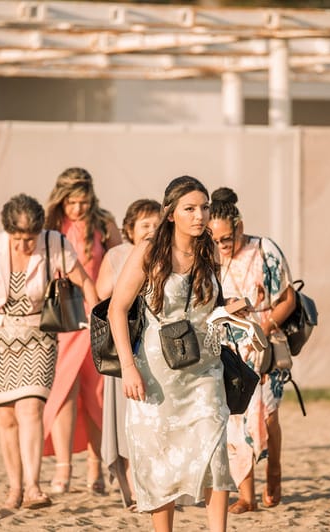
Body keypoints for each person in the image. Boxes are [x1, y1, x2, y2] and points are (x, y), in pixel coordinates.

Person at [0, 193, 99, 510]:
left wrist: (99, 322)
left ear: (39, 231)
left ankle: (33, 487)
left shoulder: (55, 244)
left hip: (38, 335)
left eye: (30, 238)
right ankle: (14, 488)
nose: (24, 246)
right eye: (18, 238)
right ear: (8, 232)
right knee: (6, 417)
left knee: (32, 409)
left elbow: (86, 283)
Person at [108, 176, 234, 532]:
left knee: (215, 450)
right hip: (155, 372)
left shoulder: (209, 250)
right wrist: (128, 369)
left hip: (205, 369)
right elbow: (118, 308)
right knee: (157, 457)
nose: (200, 216)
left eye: (205, 208)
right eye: (190, 209)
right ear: (171, 213)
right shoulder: (150, 251)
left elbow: (209, 309)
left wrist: (230, 309)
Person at [207, 187, 296, 513]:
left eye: (226, 238)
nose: (222, 245)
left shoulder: (264, 250)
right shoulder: (208, 256)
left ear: (239, 226)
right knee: (234, 418)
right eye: (215, 240)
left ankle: (274, 469)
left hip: (264, 344)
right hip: (227, 348)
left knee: (268, 414)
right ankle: (247, 495)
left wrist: (265, 325)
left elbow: (288, 299)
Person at [43, 167, 123, 494]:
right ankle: (63, 468)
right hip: (62, 318)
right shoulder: (48, 225)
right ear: (61, 198)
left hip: (96, 317)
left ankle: (96, 468)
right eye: (71, 202)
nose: (77, 208)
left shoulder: (104, 222)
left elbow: (120, 261)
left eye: (82, 201)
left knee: (97, 395)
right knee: (64, 392)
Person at [96, 198, 161, 510]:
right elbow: (102, 294)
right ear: (130, 229)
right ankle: (134, 490)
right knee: (126, 419)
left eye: (156, 223)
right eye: (144, 225)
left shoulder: (168, 252)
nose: (151, 230)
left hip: (157, 345)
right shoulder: (117, 254)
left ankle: (157, 486)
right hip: (126, 343)